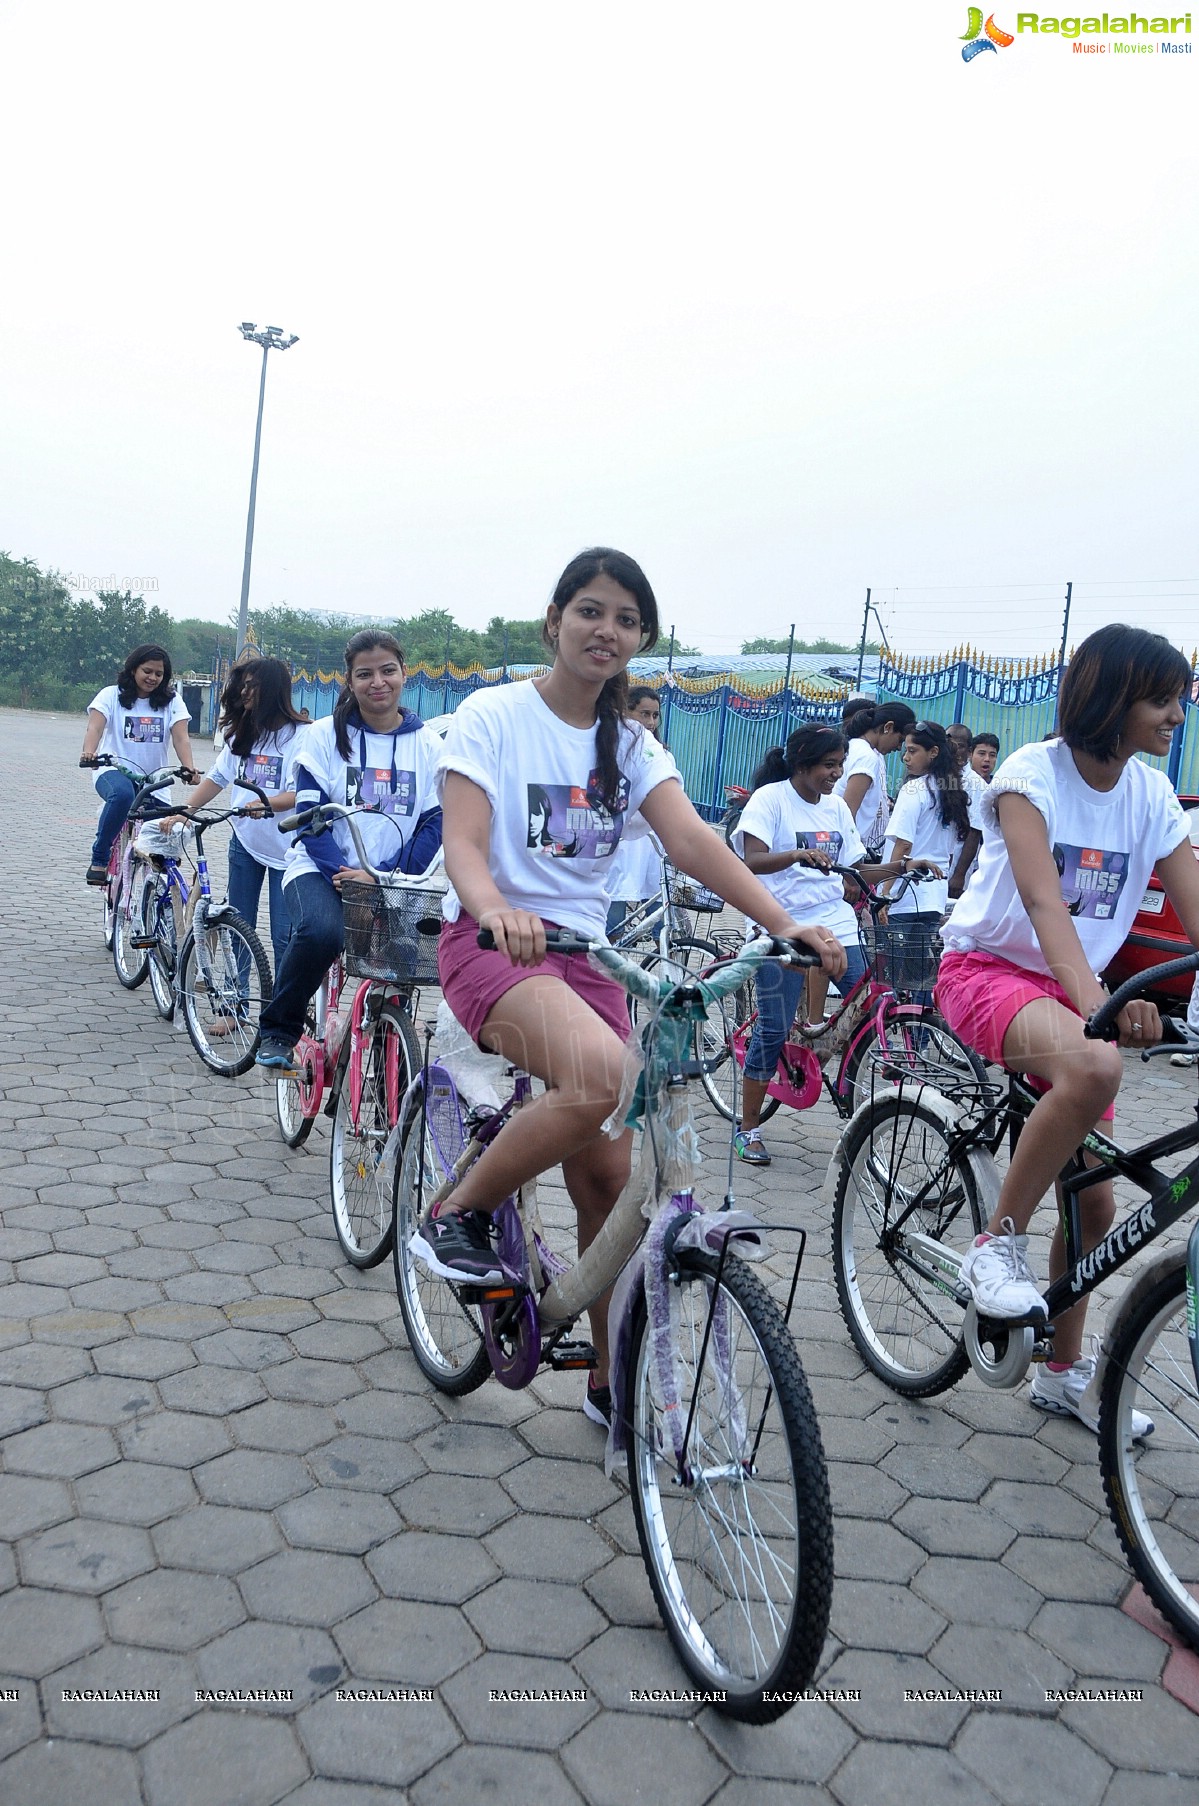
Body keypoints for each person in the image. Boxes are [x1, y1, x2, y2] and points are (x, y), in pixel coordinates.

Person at [411, 547, 844, 1427]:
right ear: (555, 619)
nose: (606, 631)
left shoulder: (632, 744)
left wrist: (778, 922)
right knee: (603, 1079)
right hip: (494, 945)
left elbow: (693, 842)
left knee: (611, 1185)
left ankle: (608, 1386)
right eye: (590, 612)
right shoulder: (491, 716)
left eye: (625, 619)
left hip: (591, 963)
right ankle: (458, 1214)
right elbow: (463, 842)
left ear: (640, 638)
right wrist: (493, 902)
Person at [935, 624, 1199, 1434]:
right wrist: (1100, 1008)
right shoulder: (1028, 775)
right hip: (988, 974)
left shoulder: (1151, 794)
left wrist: (1100, 1003)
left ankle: (1060, 1372)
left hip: (1075, 994)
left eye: (1180, 697)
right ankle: (994, 1247)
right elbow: (1045, 904)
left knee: (1091, 1208)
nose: (1176, 714)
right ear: (1110, 698)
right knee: (1093, 1068)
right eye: (1161, 698)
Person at [730, 723, 927, 1166]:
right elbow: (751, 862)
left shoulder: (837, 808)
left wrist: (905, 866)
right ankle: (748, 1128)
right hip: (779, 922)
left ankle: (849, 1094)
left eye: (839, 764)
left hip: (835, 921)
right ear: (801, 763)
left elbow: (857, 869)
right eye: (828, 765)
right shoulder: (771, 799)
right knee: (775, 1026)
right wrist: (797, 855)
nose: (836, 773)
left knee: (867, 1003)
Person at [254, 631, 444, 1069]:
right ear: (350, 680)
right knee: (323, 934)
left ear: (403, 672)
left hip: (394, 877)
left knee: (407, 958)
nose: (378, 682)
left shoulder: (430, 745)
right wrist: (344, 873)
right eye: (365, 674)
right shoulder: (322, 736)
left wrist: (380, 878)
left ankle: (388, 1058)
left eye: (387, 670)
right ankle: (280, 1029)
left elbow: (435, 823)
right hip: (319, 871)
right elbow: (310, 815)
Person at [161, 656, 303, 977]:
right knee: (239, 927)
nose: (245, 694)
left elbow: (303, 793)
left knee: (284, 936)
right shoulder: (243, 733)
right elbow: (216, 778)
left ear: (274, 691)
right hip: (245, 843)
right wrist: (186, 812)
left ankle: (281, 1014)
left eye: (253, 687)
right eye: (243, 687)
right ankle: (235, 1004)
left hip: (289, 851)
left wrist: (266, 803)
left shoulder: (302, 737)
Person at [79, 644, 200, 883]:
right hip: (113, 771)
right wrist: (89, 752)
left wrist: (189, 767)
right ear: (133, 669)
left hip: (153, 781)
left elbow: (180, 736)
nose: (153, 678)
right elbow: (95, 726)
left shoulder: (172, 701)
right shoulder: (111, 695)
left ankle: (151, 901)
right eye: (147, 671)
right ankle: (100, 858)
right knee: (123, 796)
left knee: (161, 840)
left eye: (159, 674)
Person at [604, 687, 666, 939]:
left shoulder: (660, 755)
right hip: (621, 850)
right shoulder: (609, 753)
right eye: (644, 714)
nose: (650, 722)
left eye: (655, 715)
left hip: (652, 850)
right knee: (613, 928)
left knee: (662, 925)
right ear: (625, 712)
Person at [834, 700, 916, 855]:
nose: (899, 748)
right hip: (845, 845)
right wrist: (852, 855)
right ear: (888, 727)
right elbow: (848, 811)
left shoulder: (854, 746)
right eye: (900, 740)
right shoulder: (867, 757)